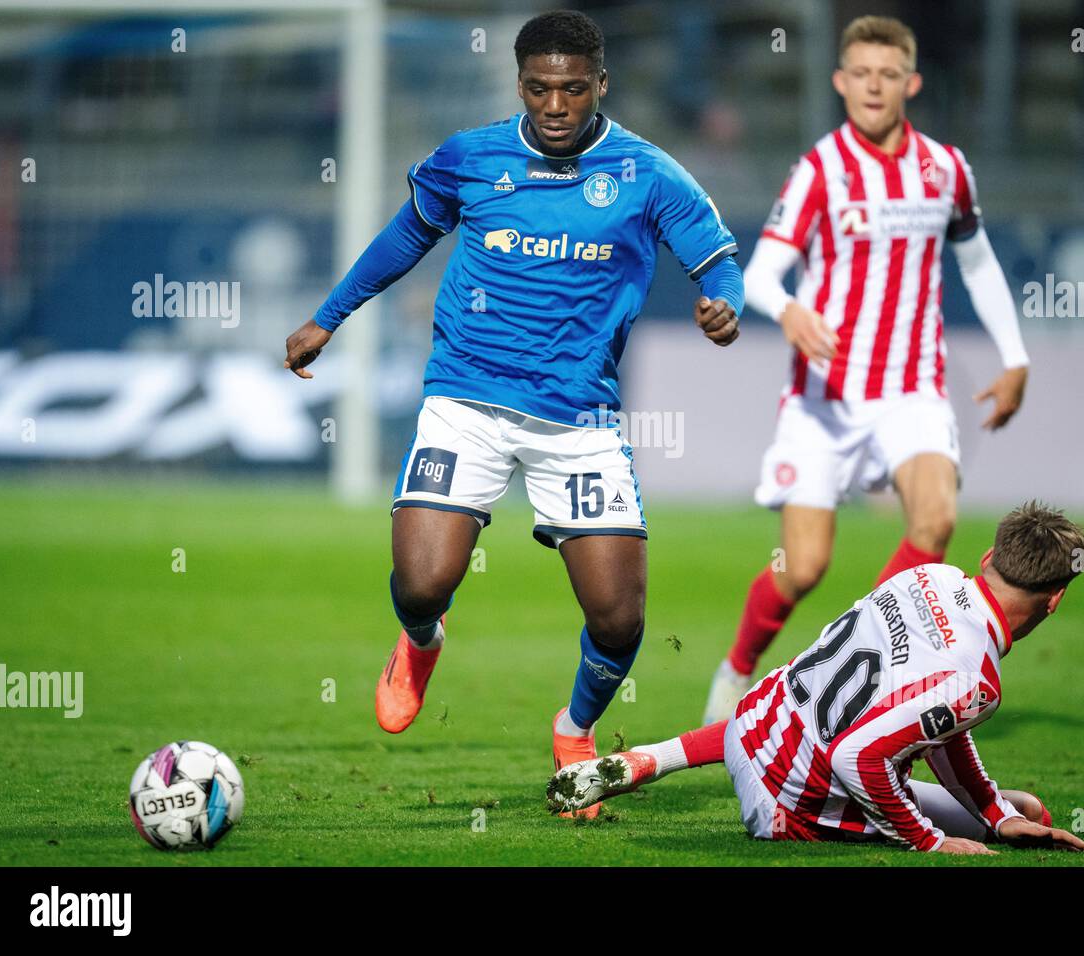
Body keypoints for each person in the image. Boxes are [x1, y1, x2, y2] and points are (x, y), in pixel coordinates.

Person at [283, 10, 743, 818]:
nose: (556, 105)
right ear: (520, 85)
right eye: (539, 89)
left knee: (619, 615)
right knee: (424, 583)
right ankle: (421, 643)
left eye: (572, 89)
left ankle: (575, 728)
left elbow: (716, 259)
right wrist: (331, 315)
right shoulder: (471, 156)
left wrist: (722, 305)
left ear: (601, 84)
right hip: (466, 399)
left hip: (580, 419)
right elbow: (406, 236)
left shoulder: (647, 172)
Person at [703, 15, 1029, 724]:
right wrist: (789, 311)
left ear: (910, 82)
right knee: (806, 567)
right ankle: (736, 669)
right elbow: (759, 276)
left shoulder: (946, 169)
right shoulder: (820, 168)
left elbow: (976, 260)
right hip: (825, 399)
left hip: (911, 387)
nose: (874, 87)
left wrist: (1016, 356)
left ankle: (851, 670)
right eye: (861, 74)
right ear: (839, 81)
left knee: (936, 519)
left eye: (889, 75)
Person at [551, 501, 1084, 855]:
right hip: (787, 804)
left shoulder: (932, 575)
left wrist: (993, 813)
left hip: (751, 722)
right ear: (1055, 601)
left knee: (1007, 809)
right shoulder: (976, 679)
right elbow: (858, 757)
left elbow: (938, 727)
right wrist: (929, 842)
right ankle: (667, 759)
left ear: (988, 556)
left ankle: (657, 756)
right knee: (1023, 811)